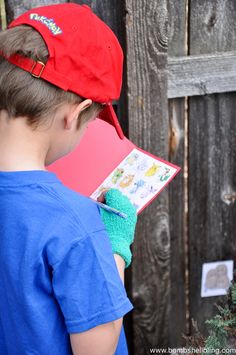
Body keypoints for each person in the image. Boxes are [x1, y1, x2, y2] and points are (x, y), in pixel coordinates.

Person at [0, 3, 137, 354]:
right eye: (91, 123)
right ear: (74, 115)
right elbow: (98, 345)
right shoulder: (76, 223)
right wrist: (116, 249)